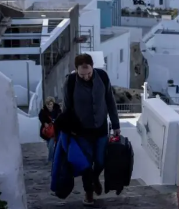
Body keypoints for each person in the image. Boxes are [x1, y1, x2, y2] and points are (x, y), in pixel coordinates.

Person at [62, 53, 120, 206]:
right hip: (81, 131)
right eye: (82, 74)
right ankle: (88, 192)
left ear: (93, 67)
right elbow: (66, 108)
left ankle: (95, 179)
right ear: (76, 70)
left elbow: (110, 101)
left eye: (88, 73)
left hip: (100, 128)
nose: (86, 77)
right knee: (86, 164)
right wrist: (65, 130)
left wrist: (116, 124)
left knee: (100, 161)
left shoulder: (102, 76)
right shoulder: (71, 81)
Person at [39, 96, 62, 163]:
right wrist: (44, 122)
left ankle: (51, 159)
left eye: (50, 104)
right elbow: (41, 117)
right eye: (48, 104)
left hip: (55, 130)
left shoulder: (57, 110)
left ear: (53, 104)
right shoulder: (43, 111)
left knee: (51, 145)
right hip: (47, 131)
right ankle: (52, 157)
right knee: (49, 145)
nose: (49, 106)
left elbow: (60, 117)